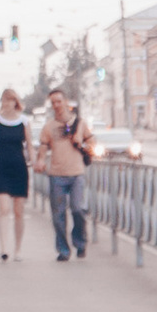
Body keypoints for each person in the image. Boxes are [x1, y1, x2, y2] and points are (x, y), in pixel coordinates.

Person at [38, 86, 95, 260]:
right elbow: (43, 147)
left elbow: (93, 146)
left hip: (77, 173)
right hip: (56, 175)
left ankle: (80, 243)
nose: (56, 105)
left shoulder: (80, 123)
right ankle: (63, 250)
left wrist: (82, 144)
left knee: (78, 210)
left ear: (66, 102)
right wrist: (40, 160)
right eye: (53, 102)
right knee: (58, 216)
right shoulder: (49, 127)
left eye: (59, 101)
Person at [0, 86, 31, 257]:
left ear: (16, 102)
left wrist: (35, 161)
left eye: (11, 100)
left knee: (19, 210)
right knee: (4, 208)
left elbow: (29, 145)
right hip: (1, 168)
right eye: (5, 100)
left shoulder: (24, 121)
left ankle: (18, 249)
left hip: (19, 168)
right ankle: (4, 248)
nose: (7, 103)